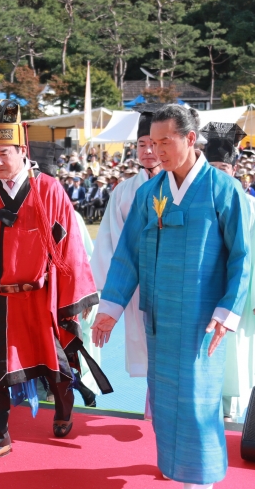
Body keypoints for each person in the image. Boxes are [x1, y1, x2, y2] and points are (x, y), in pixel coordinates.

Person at [93, 104, 251, 488]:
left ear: (190, 139)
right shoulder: (151, 193)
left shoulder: (223, 189)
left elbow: (242, 257)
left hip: (200, 317)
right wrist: (110, 309)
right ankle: (174, 465)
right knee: (163, 398)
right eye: (152, 142)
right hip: (160, 316)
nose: (158, 151)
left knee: (198, 399)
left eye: (166, 142)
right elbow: (127, 254)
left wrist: (226, 311)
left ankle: (201, 477)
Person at [0, 100, 108, 466]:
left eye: (3, 153)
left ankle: (64, 406)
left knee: (54, 359)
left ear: (22, 151)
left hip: (39, 297)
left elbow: (69, 247)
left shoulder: (49, 190)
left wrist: (71, 301)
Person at [201, 122, 255, 423]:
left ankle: (230, 409)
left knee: (234, 352)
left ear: (234, 169)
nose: (219, 172)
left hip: (237, 292)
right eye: (213, 166)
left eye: (224, 166)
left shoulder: (250, 204)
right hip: (202, 289)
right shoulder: (196, 199)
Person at [90, 105, 163, 381]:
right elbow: (109, 241)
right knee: (141, 342)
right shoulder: (123, 190)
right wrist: (102, 292)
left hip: (169, 278)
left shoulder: (178, 185)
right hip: (135, 279)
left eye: (153, 145)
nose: (146, 151)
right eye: (141, 145)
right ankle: (151, 403)